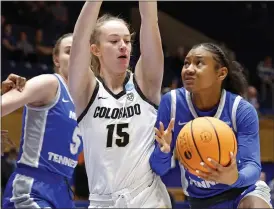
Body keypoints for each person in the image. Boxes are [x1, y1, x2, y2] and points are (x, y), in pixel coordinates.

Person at [68, 1, 171, 208]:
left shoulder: (145, 84)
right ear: (95, 50)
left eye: (127, 40)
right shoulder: (86, 91)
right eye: (114, 41)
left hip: (147, 197)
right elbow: (79, 39)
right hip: (102, 201)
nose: (123, 45)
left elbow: (150, 20)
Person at [150, 43, 273, 208]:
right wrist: (163, 152)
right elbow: (159, 169)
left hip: (241, 192)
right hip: (200, 200)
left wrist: (234, 177)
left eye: (198, 63)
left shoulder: (240, 109)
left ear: (221, 73)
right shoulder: (172, 103)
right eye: (186, 63)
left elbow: (252, 166)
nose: (189, 69)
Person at [2, 33, 83, 208]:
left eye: (81, 51)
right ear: (56, 59)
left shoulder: (86, 103)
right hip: (33, 187)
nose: (76, 56)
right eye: (69, 51)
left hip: (65, 192)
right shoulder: (50, 83)